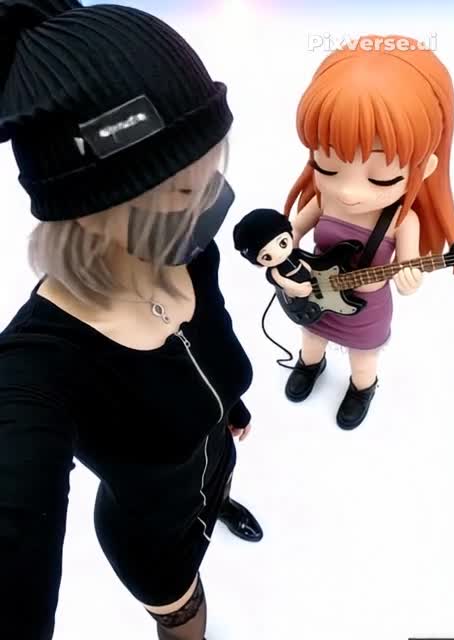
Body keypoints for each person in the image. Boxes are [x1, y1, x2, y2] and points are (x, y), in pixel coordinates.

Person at [0, 1, 261, 639]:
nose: (206, 203)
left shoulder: (188, 250)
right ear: (88, 205)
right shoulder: (36, 370)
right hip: (155, 545)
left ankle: (222, 501)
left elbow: (214, 340)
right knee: (184, 614)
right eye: (182, 190)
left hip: (216, 466)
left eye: (212, 172)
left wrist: (228, 404)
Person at [283, 35, 454, 430]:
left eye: (380, 176)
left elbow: (407, 267)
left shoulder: (402, 221)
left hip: (366, 311)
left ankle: (363, 389)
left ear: (425, 168)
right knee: (310, 340)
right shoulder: (325, 200)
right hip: (314, 295)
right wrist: (281, 256)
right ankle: (310, 365)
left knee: (363, 360)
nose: (349, 191)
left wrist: (410, 278)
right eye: (328, 167)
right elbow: (291, 232)